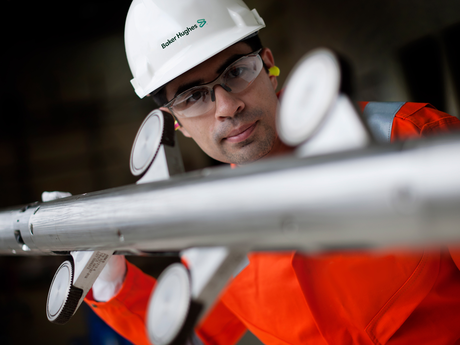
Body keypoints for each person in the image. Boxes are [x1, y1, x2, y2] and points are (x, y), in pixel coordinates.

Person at [84, 0, 460, 344]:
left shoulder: (408, 138)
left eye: (235, 72)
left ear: (268, 65)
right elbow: (197, 333)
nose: (227, 106)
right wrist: (112, 284)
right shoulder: (210, 226)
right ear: (173, 123)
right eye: (194, 97)